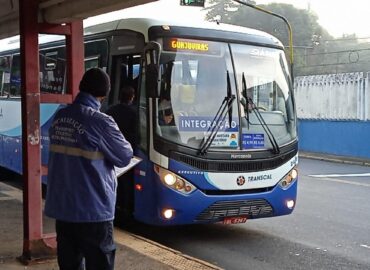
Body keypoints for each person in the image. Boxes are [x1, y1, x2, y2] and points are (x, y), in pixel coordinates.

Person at [44, 68, 133, 270]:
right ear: (105, 93)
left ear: (81, 86)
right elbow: (125, 156)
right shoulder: (101, 122)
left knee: (70, 265)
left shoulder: (59, 117)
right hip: (93, 211)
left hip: (64, 209)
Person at [105, 86, 137, 222]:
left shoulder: (110, 110)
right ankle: (125, 209)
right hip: (127, 152)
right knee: (127, 182)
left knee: (113, 179)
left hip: (111, 151)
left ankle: (114, 205)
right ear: (132, 97)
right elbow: (135, 135)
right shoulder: (134, 113)